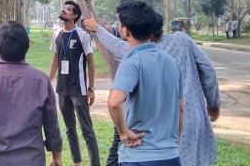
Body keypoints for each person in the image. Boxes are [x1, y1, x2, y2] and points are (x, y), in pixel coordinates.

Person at [84, 9, 221, 166]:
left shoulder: (137, 55)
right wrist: (213, 104)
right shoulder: (181, 39)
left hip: (163, 133)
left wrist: (97, 29)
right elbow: (208, 70)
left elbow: (114, 101)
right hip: (193, 120)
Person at [0, 21, 63, 166]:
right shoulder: (42, 81)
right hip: (32, 160)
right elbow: (51, 124)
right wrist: (56, 155)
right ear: (28, 46)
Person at [105, 0, 183, 166]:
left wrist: (123, 132)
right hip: (171, 156)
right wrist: (173, 142)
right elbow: (181, 109)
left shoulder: (132, 62)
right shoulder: (171, 62)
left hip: (139, 156)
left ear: (125, 30)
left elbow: (114, 102)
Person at [49, 0, 101, 166]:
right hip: (62, 89)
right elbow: (55, 59)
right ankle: (76, 162)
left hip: (78, 89)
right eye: (63, 8)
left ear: (75, 15)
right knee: (69, 129)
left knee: (87, 130)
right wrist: (47, 81)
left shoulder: (82, 35)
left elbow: (91, 62)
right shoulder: (57, 34)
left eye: (68, 9)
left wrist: (91, 88)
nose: (63, 11)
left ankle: (95, 164)